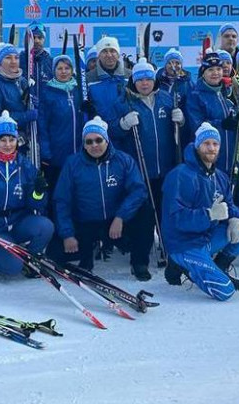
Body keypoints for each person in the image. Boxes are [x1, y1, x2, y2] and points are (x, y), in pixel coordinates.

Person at [161, 121, 239, 300]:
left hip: (207, 236)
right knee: (224, 291)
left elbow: (228, 205)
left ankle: (219, 266)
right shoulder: (180, 175)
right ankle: (179, 263)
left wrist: (234, 219)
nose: (211, 148)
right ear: (197, 145)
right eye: (206, 144)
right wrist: (209, 214)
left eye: (215, 144)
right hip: (185, 243)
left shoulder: (220, 176)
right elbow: (176, 219)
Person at [110, 59, 183, 278]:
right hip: (139, 170)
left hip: (166, 168)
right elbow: (111, 133)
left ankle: (172, 255)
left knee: (166, 214)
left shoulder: (166, 99)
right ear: (134, 80)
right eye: (140, 79)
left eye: (148, 79)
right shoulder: (124, 102)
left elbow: (178, 134)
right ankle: (139, 261)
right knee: (143, 217)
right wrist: (122, 124)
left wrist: (181, 120)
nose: (144, 83)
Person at [54, 116, 149, 277]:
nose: (94, 145)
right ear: (83, 144)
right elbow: (61, 201)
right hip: (86, 222)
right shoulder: (72, 164)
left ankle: (139, 263)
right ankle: (85, 259)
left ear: (106, 140)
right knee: (55, 254)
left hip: (114, 222)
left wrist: (120, 217)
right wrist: (67, 234)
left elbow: (139, 191)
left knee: (144, 212)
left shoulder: (123, 160)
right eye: (89, 142)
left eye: (98, 140)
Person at [0, 111, 53, 275]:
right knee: (12, 269)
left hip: (18, 220)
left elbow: (35, 204)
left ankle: (29, 260)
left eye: (11, 139)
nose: (8, 144)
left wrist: (39, 192)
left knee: (45, 226)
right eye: (3, 140)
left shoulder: (25, 166)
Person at [184, 52, 239, 177]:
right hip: (209, 155)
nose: (216, 73)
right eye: (211, 70)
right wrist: (222, 124)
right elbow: (197, 125)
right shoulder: (196, 95)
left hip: (231, 155)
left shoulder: (227, 92)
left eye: (219, 69)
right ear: (203, 72)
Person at [37, 54, 85, 195]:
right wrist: (45, 151)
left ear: (72, 70)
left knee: (78, 188)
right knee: (59, 189)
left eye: (67, 68)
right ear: (54, 71)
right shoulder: (48, 92)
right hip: (58, 151)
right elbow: (43, 124)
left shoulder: (79, 90)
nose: (63, 72)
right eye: (59, 68)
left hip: (79, 149)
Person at [0, 43, 36, 139]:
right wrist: (25, 116)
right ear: (0, 61)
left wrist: (34, 103)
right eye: (8, 58)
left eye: (16, 58)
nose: (13, 61)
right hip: (3, 140)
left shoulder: (21, 80)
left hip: (22, 138)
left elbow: (23, 105)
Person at [86, 36, 131, 125]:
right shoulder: (88, 78)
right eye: (104, 51)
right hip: (99, 132)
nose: (109, 55)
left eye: (112, 51)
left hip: (127, 130)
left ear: (118, 54)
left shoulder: (130, 76)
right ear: (98, 55)